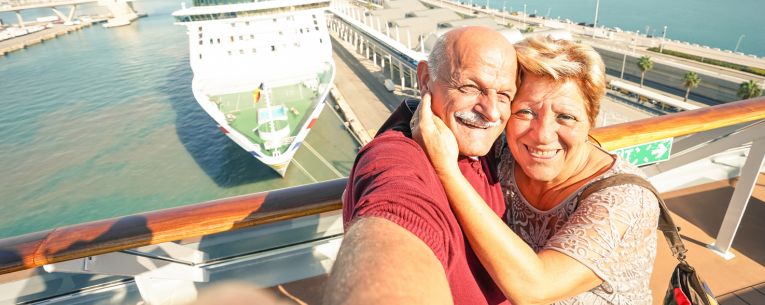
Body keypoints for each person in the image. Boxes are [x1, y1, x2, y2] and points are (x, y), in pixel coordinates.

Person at [413, 36, 660, 305]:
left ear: (591, 120)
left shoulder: (625, 200)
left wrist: (447, 171)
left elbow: (535, 288)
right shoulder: (504, 153)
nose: (542, 135)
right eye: (526, 113)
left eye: (565, 116)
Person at [323, 26, 519, 305]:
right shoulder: (395, 157)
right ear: (425, 79)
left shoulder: (488, 146)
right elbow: (396, 213)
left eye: (504, 95)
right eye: (470, 87)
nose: (491, 112)